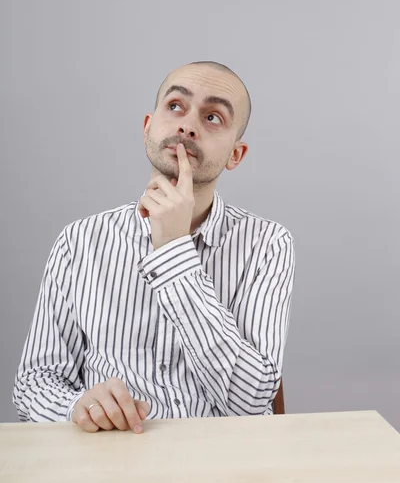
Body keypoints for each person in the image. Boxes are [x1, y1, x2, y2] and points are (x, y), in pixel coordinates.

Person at [13, 61, 295, 434]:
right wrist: (76, 407)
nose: (187, 125)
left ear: (235, 155)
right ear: (149, 127)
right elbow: (34, 383)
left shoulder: (268, 244)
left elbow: (251, 401)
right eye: (175, 106)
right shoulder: (79, 241)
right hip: (111, 464)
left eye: (213, 117)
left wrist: (174, 250)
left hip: (224, 466)